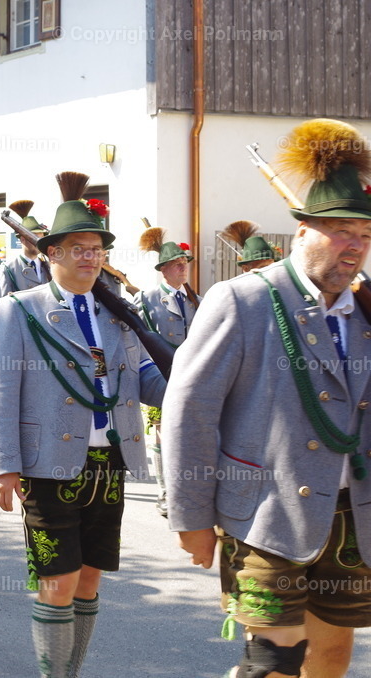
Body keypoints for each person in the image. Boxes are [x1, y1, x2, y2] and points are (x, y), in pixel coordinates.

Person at [165, 118, 371, 678]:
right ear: (301, 231)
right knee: (275, 658)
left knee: (333, 652)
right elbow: (191, 410)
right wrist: (191, 515)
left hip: (350, 515)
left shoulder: (365, 309)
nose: (353, 246)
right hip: (265, 513)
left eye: (364, 235)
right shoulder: (245, 300)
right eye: (341, 231)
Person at [0, 172, 166, 678]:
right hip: (48, 466)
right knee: (56, 581)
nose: (90, 256)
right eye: (78, 248)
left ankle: (71, 671)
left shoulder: (118, 315)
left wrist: (198, 389)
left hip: (108, 462)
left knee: (89, 579)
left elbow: (147, 380)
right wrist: (2, 466)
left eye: (96, 248)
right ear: (52, 254)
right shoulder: (19, 309)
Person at [134, 227, 202, 517]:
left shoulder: (194, 298)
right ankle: (165, 493)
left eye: (184, 263)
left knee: (189, 436)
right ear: (163, 270)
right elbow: (137, 338)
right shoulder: (147, 299)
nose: (182, 267)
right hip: (161, 378)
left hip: (191, 379)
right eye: (176, 264)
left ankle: (186, 491)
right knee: (162, 436)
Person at [0, 200, 51, 295]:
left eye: (40, 237)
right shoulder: (8, 269)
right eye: (34, 237)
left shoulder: (48, 266)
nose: (38, 242)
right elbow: (3, 304)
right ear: (22, 239)